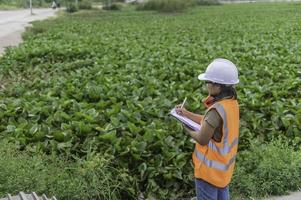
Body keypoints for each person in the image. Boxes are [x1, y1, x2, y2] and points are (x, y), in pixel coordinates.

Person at [175, 58, 240, 200]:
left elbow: (202, 139)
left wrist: (185, 125)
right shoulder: (230, 104)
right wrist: (186, 114)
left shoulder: (216, 110)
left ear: (218, 86)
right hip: (224, 168)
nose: (206, 85)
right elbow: (208, 122)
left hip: (208, 172)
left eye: (208, 82)